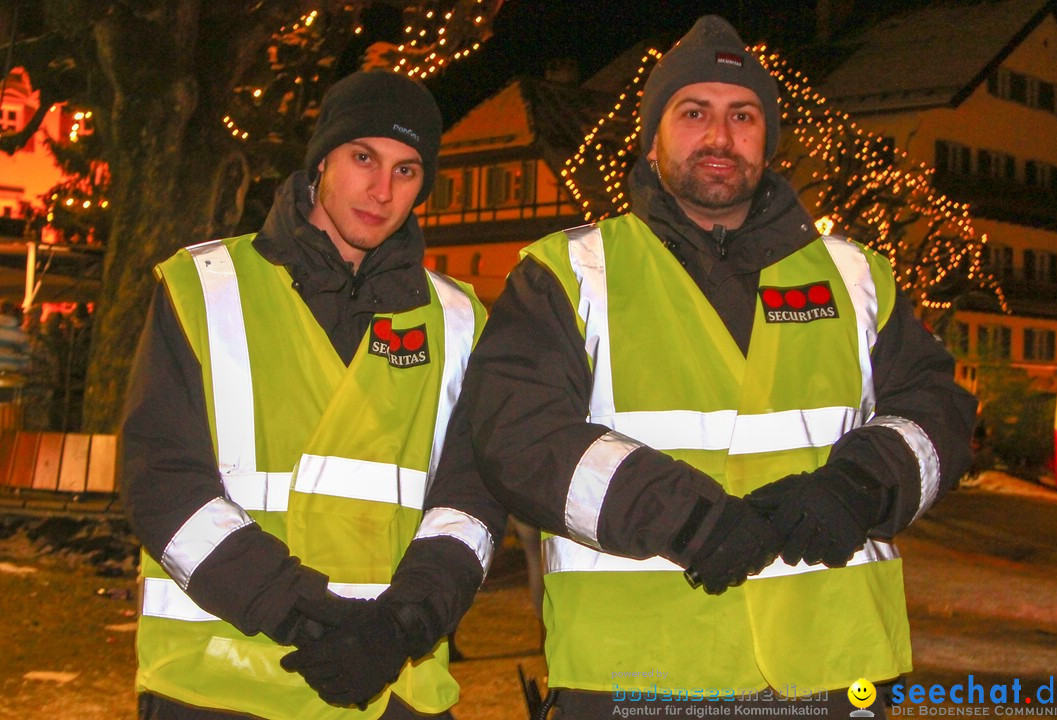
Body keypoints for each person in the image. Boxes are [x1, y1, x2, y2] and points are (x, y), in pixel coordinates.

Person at [369, 14, 978, 719]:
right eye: (694, 112)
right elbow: (518, 435)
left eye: (742, 115)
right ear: (653, 137)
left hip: (837, 673)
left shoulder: (856, 276)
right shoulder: (569, 272)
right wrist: (685, 520)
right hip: (637, 677)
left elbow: (939, 409)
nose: (719, 136)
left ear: (769, 140)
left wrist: (862, 485)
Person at [121, 69, 497, 720]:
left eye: (407, 172)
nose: (382, 191)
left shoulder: (459, 321)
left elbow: (473, 502)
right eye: (363, 158)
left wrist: (397, 628)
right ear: (322, 159)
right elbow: (163, 484)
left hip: (394, 686)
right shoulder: (202, 288)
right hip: (220, 685)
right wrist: (305, 616)